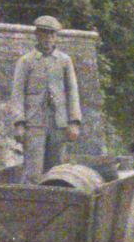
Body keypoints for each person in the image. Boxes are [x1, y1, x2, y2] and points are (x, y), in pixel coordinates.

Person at [10, 15, 83, 183]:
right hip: (34, 123)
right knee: (33, 172)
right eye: (44, 34)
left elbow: (72, 92)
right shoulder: (26, 62)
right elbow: (17, 94)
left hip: (59, 123)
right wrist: (19, 123)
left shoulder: (64, 61)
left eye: (52, 34)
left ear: (56, 37)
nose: (48, 38)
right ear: (37, 35)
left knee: (56, 171)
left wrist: (74, 122)